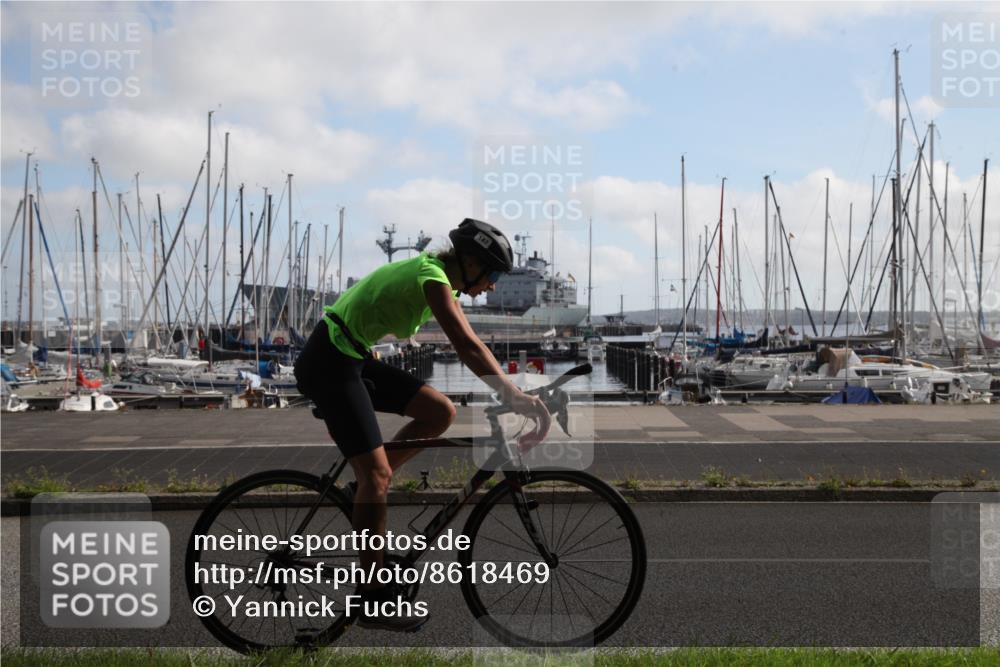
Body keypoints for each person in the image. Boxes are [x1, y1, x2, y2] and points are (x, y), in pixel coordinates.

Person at [293, 218, 551, 631]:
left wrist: (510, 391)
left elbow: (470, 343)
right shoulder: (432, 276)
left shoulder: (441, 280)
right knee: (378, 476)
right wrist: (514, 396)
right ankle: (373, 599)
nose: (493, 285)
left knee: (440, 412)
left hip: (352, 356)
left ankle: (363, 491)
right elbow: (466, 345)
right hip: (329, 362)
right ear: (470, 262)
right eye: (494, 274)